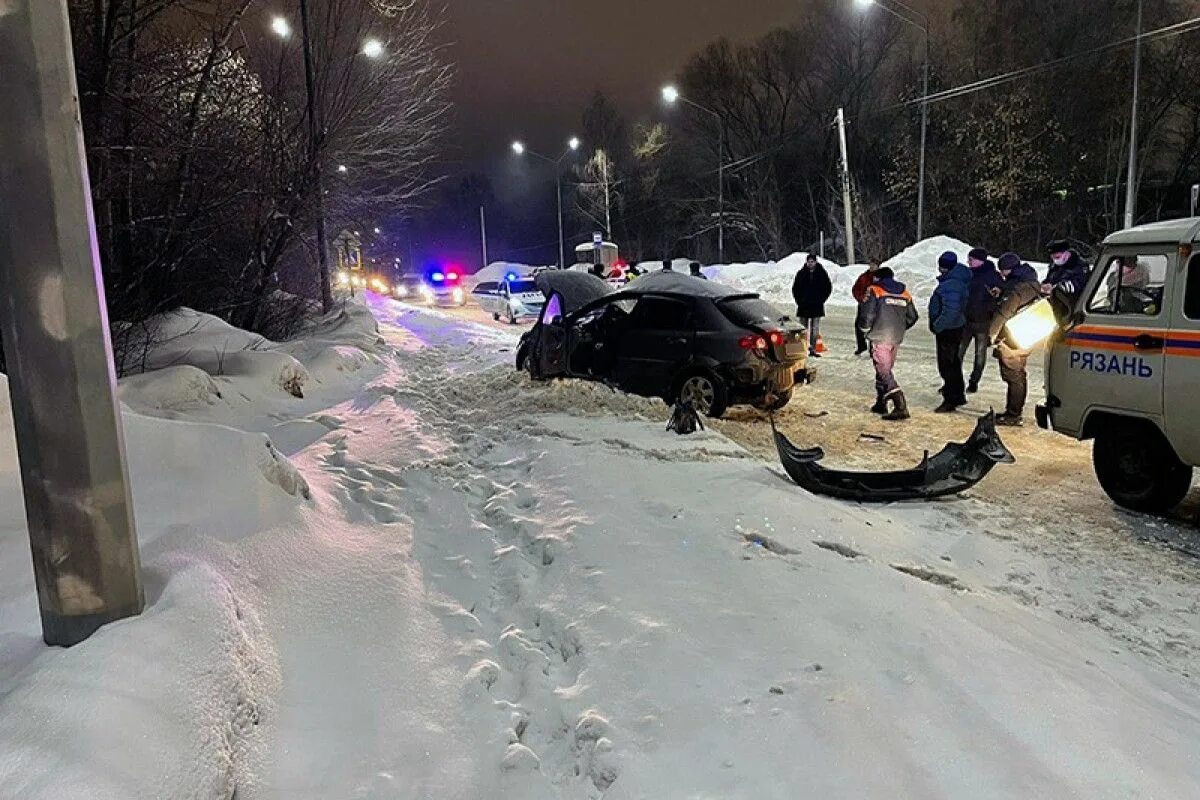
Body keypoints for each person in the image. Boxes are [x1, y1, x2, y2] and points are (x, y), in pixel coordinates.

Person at [988, 253, 1042, 426]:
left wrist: (992, 334)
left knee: (1013, 376)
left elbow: (1004, 312)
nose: (1002, 274)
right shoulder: (1031, 283)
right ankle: (1013, 411)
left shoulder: (1017, 290)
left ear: (1010, 269)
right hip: (1026, 335)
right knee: (1018, 375)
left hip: (1013, 338)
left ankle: (1013, 414)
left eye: (1003, 270)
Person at [859, 267, 919, 421]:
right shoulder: (904, 293)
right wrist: (900, 327)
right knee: (884, 369)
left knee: (884, 371)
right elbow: (913, 316)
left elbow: (868, 314)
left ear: (878, 278)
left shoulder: (875, 290)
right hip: (896, 337)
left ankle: (900, 404)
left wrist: (864, 328)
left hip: (880, 336)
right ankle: (881, 402)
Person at [928, 250, 972, 413]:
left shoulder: (951, 284)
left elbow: (951, 310)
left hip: (948, 329)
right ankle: (957, 394)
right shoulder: (958, 280)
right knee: (953, 364)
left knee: (948, 366)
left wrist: (938, 325)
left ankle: (951, 398)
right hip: (956, 327)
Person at [959, 247, 1003, 393]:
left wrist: (997, 292)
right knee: (958, 353)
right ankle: (954, 382)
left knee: (980, 355)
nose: (968, 262)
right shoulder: (967, 274)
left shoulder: (993, 276)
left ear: (979, 260)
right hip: (966, 320)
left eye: (971, 259)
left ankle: (974, 381)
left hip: (983, 321)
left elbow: (1000, 293)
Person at [791, 253, 833, 358]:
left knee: (815, 329)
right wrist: (799, 301)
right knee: (803, 329)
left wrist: (821, 299)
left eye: (812, 261)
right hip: (804, 306)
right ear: (806, 262)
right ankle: (803, 348)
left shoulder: (821, 273)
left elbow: (828, 287)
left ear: (815, 262)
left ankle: (813, 348)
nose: (810, 263)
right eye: (809, 261)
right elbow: (795, 289)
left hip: (816, 306)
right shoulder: (801, 273)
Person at [851, 261, 879, 355]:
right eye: (871, 265)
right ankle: (861, 346)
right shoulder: (863, 277)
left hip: (876, 306)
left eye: (874, 265)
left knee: (874, 327)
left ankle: (873, 348)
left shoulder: (880, 277)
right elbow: (855, 289)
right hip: (863, 305)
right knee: (859, 325)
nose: (872, 266)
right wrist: (861, 298)